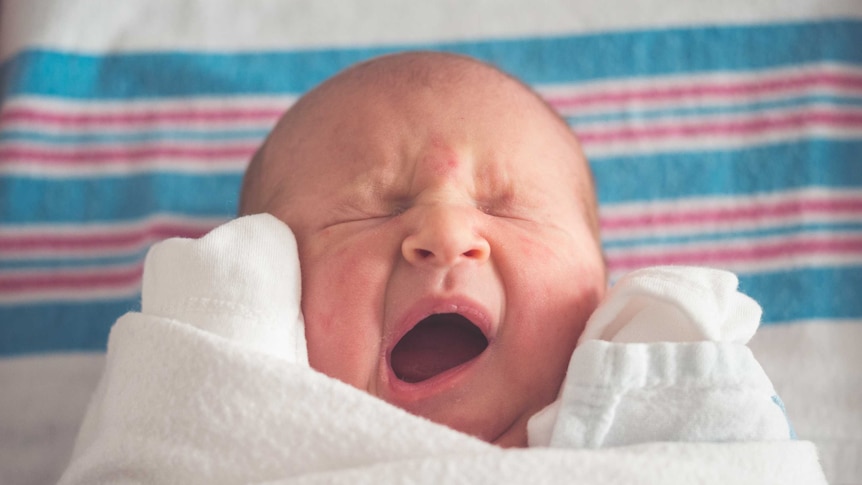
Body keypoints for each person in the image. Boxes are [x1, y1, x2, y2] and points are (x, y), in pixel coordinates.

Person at [236, 51, 791, 448]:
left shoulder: (674, 427)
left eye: (506, 208)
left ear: (601, 295)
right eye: (371, 209)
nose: (446, 236)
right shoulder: (222, 432)